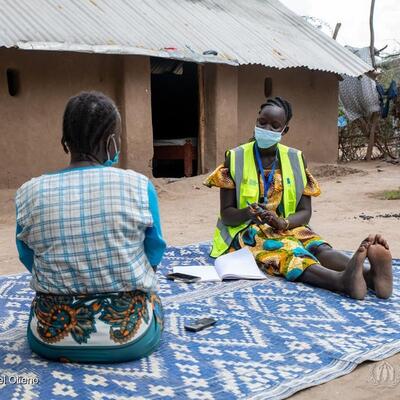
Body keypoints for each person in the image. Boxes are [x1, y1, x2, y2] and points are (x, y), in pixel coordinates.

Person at [15, 91, 166, 363]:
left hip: (49, 337)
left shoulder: (28, 192)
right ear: (111, 142)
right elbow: (153, 254)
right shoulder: (138, 186)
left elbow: (28, 257)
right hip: (130, 338)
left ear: (65, 141)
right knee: (155, 299)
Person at [205, 96, 393, 300]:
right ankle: (340, 281)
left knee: (316, 245)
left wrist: (282, 222)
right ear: (256, 120)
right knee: (288, 250)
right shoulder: (235, 157)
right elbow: (227, 216)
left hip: (288, 225)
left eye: (274, 125)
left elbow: (305, 212)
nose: (266, 128)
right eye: (262, 122)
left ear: (284, 130)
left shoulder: (295, 158)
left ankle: (369, 275)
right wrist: (248, 214)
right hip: (247, 230)